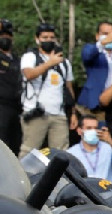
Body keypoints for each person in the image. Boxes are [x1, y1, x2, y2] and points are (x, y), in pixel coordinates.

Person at [19, 22, 74, 154]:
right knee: (29, 151)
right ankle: (23, 175)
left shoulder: (64, 63)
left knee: (61, 152)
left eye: (51, 37)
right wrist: (49, 63)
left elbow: (68, 88)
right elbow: (29, 74)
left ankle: (60, 175)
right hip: (36, 112)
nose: (49, 40)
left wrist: (73, 113)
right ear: (37, 39)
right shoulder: (30, 57)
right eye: (45, 37)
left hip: (59, 114)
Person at [67, 114, 112, 182]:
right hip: (83, 190)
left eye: (95, 128)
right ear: (79, 131)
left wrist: (111, 142)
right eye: (89, 128)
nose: (93, 131)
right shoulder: (71, 153)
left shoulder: (107, 148)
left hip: (106, 190)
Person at [0, 19, 21, 155]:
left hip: (17, 107)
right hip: (1, 107)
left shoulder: (18, 59)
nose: (5, 38)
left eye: (8, 35)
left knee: (15, 145)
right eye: (2, 35)